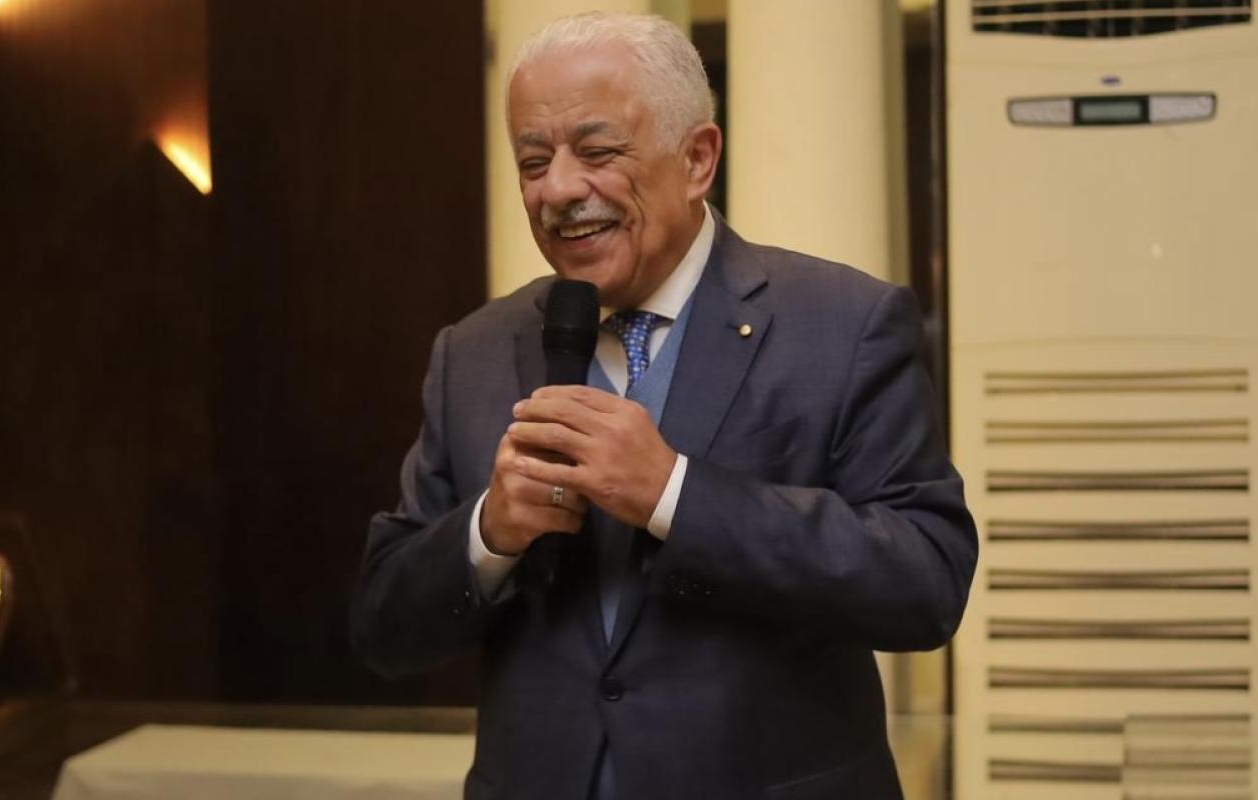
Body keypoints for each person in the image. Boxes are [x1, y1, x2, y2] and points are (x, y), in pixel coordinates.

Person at [351, 12, 977, 800]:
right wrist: (489, 533)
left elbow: (925, 582)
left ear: (697, 158)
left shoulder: (844, 324)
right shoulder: (472, 352)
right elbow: (383, 624)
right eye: (533, 161)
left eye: (599, 151)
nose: (560, 191)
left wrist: (675, 494)